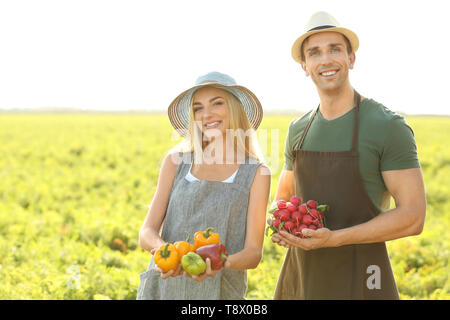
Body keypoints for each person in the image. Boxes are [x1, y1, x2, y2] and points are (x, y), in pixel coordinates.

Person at [271, 11, 426, 299]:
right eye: (314, 53)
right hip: (301, 280)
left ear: (351, 58)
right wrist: (280, 224)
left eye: (335, 49)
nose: (326, 59)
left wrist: (334, 240)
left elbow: (413, 216)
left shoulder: (386, 126)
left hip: (365, 279)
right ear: (304, 66)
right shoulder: (298, 130)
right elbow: (284, 196)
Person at [136, 71, 271, 300]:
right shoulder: (176, 161)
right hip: (163, 289)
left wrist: (220, 263)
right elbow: (146, 232)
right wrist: (167, 253)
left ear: (235, 109)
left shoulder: (256, 172)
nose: (206, 114)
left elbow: (253, 253)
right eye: (198, 108)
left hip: (220, 293)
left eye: (217, 103)